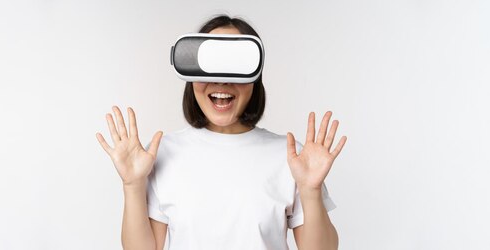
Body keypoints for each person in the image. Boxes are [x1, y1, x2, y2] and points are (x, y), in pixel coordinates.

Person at [95, 15, 347, 250]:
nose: (221, 81)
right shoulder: (161, 154)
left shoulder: (292, 158)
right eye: (210, 66)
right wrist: (132, 185)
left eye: (234, 65)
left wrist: (311, 192)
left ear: (254, 78)